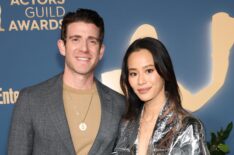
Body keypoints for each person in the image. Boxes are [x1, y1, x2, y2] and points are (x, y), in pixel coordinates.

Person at [8, 8, 125, 155]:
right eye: (75, 39)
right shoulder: (31, 100)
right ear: (62, 47)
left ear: (101, 51)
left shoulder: (120, 105)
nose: (84, 49)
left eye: (92, 41)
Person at [112, 37, 210, 154]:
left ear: (164, 71)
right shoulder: (126, 123)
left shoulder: (187, 126)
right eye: (133, 73)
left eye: (149, 71)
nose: (141, 81)